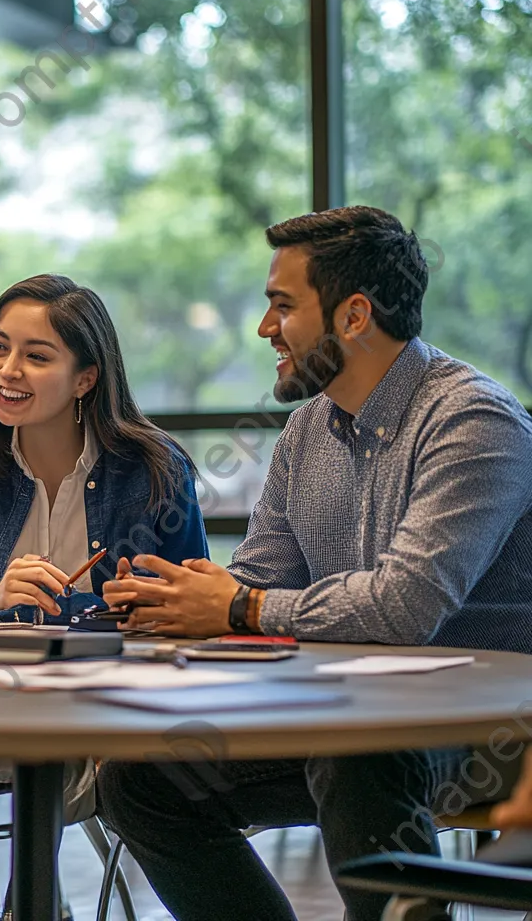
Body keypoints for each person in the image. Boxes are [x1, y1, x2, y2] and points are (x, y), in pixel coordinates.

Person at [96, 205, 532, 921]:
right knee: (141, 784)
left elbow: (405, 607)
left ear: (354, 315)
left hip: (492, 730)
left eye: (282, 306)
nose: (266, 328)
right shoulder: (306, 430)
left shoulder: (473, 421)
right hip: (352, 715)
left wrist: (238, 607)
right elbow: (263, 580)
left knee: (359, 751)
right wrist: (171, 599)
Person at [0, 274, 208, 921]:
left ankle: (31, 911)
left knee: (38, 742)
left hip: (113, 695)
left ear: (86, 378)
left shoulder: (154, 466)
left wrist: (105, 612)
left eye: (37, 355)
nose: (8, 370)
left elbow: (193, 611)